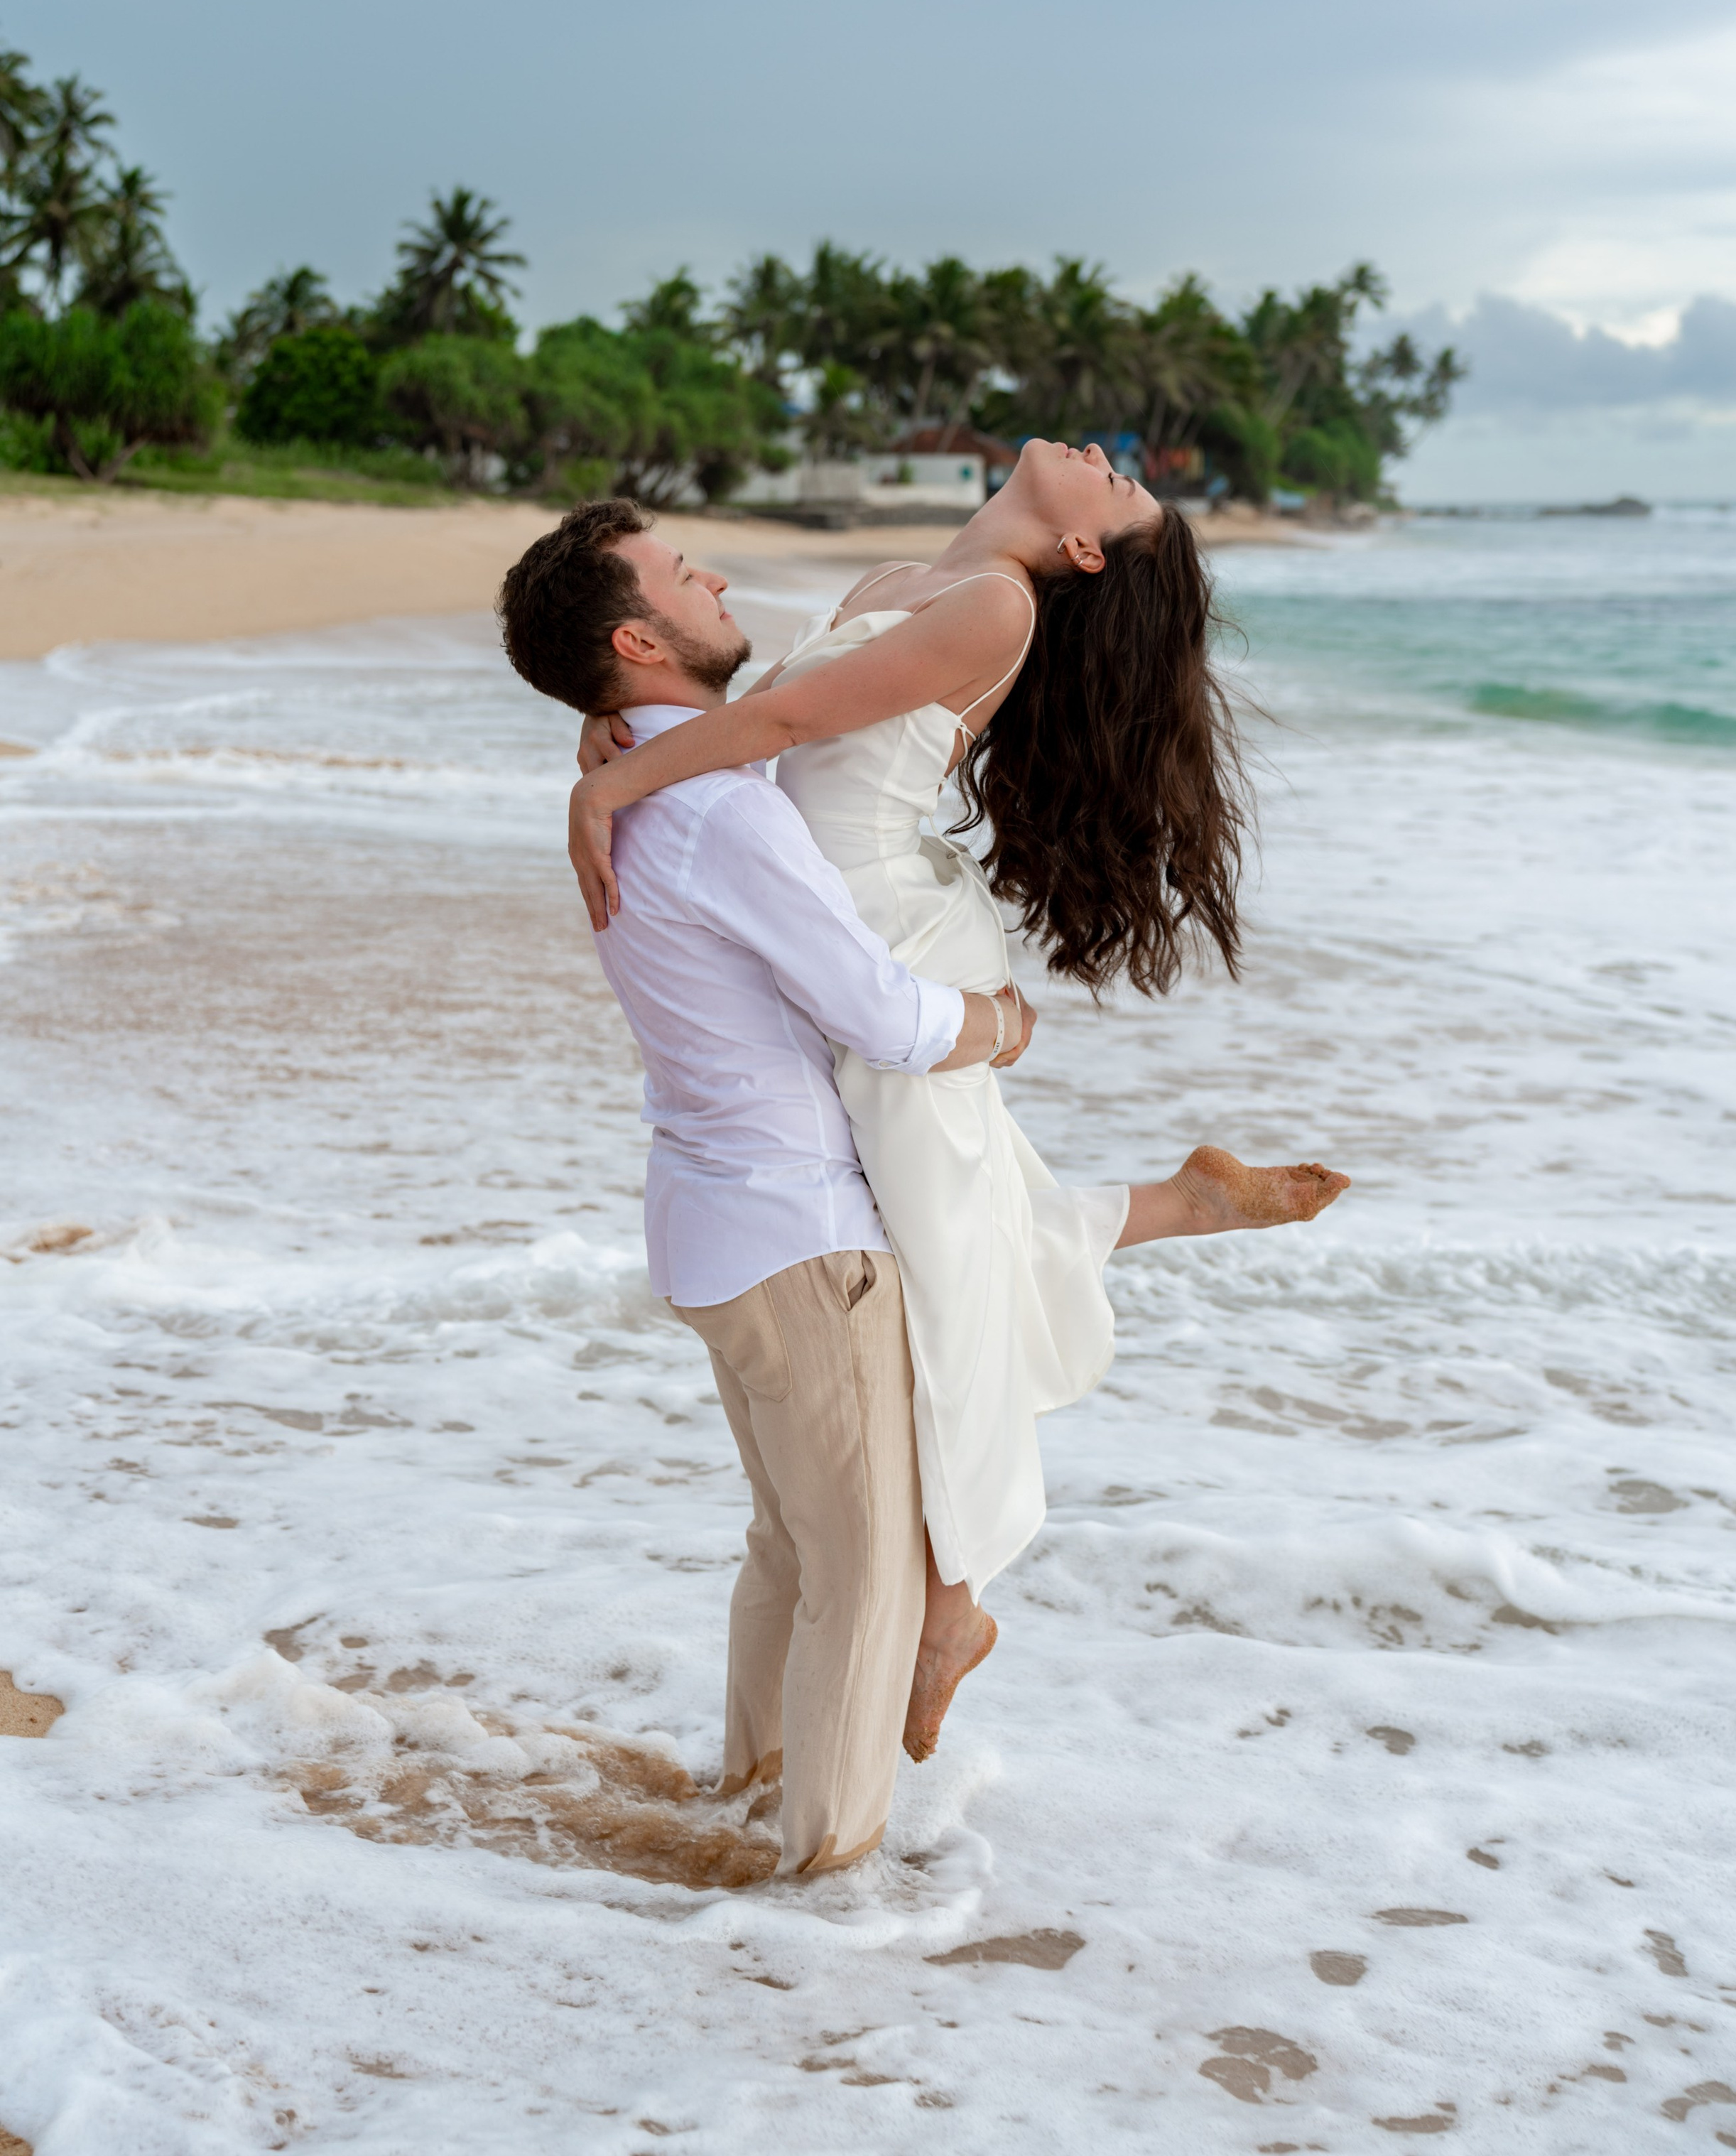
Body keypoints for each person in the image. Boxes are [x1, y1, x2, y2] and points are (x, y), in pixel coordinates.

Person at [553, 451, 1349, 1763]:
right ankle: (1184, 1202)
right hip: (840, 923)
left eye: (1126, 492)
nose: (1112, 462)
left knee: (948, 1269)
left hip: (888, 943)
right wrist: (610, 718)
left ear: (1087, 551)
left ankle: (954, 1603)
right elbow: (752, 702)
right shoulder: (914, 577)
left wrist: (613, 783)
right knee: (962, 1220)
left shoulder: (1000, 606)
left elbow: (784, 732)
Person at [498, 505, 1027, 1877]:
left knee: (791, 1550)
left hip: (711, 1224)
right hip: (800, 1241)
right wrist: (1000, 1020)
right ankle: (822, 1885)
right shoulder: (725, 810)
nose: (718, 577)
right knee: (864, 1579)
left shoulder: (643, 792)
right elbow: (885, 1018)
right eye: (686, 574)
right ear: (638, 639)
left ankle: (752, 1798)